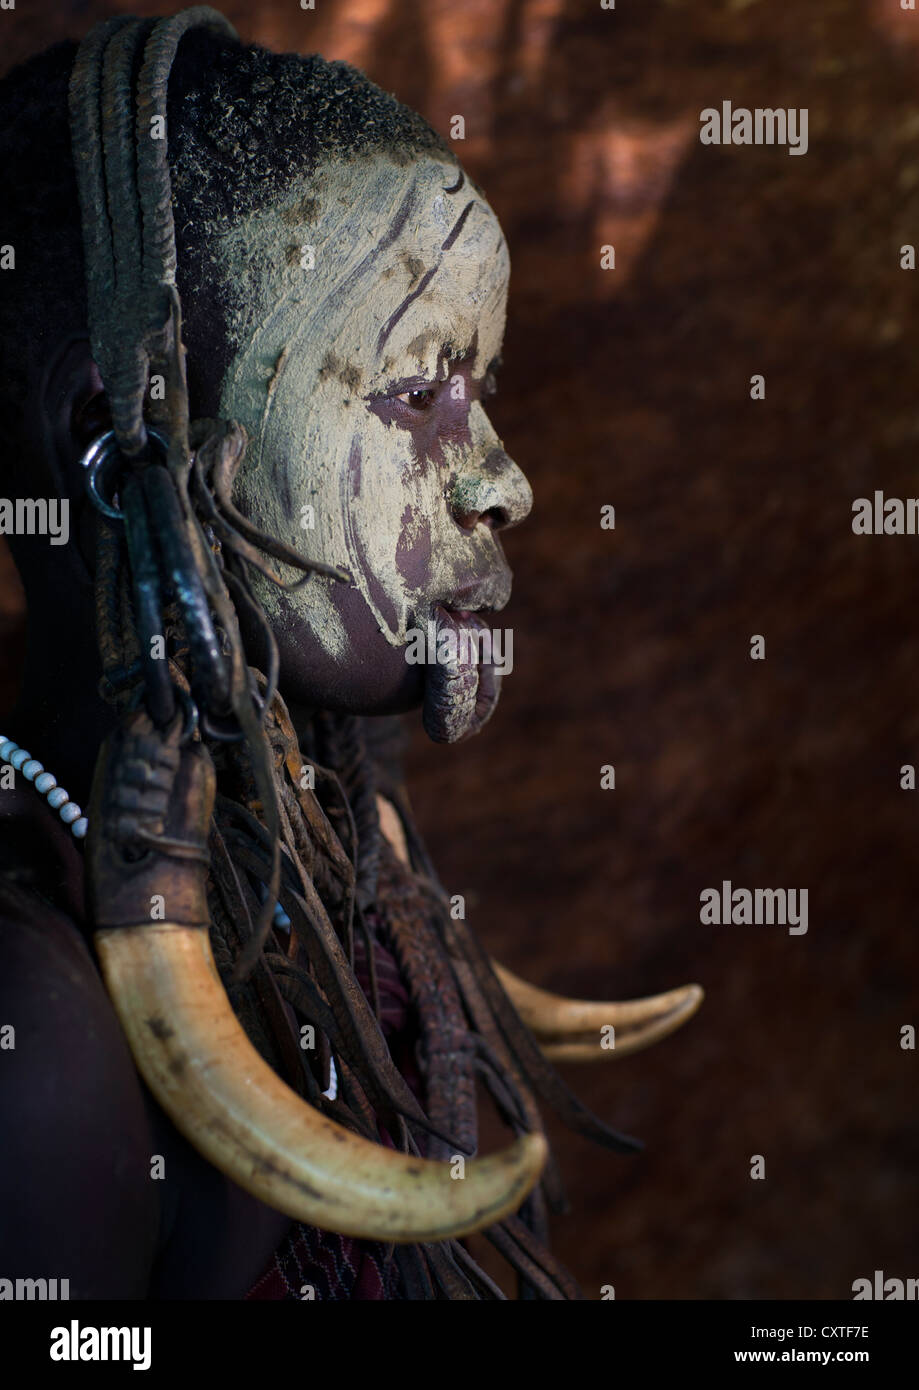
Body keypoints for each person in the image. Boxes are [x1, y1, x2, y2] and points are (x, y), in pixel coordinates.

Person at [0, 8, 702, 1300]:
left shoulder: (309, 867)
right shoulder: (35, 1034)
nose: (503, 480)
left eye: (478, 384)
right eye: (414, 388)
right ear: (114, 436)